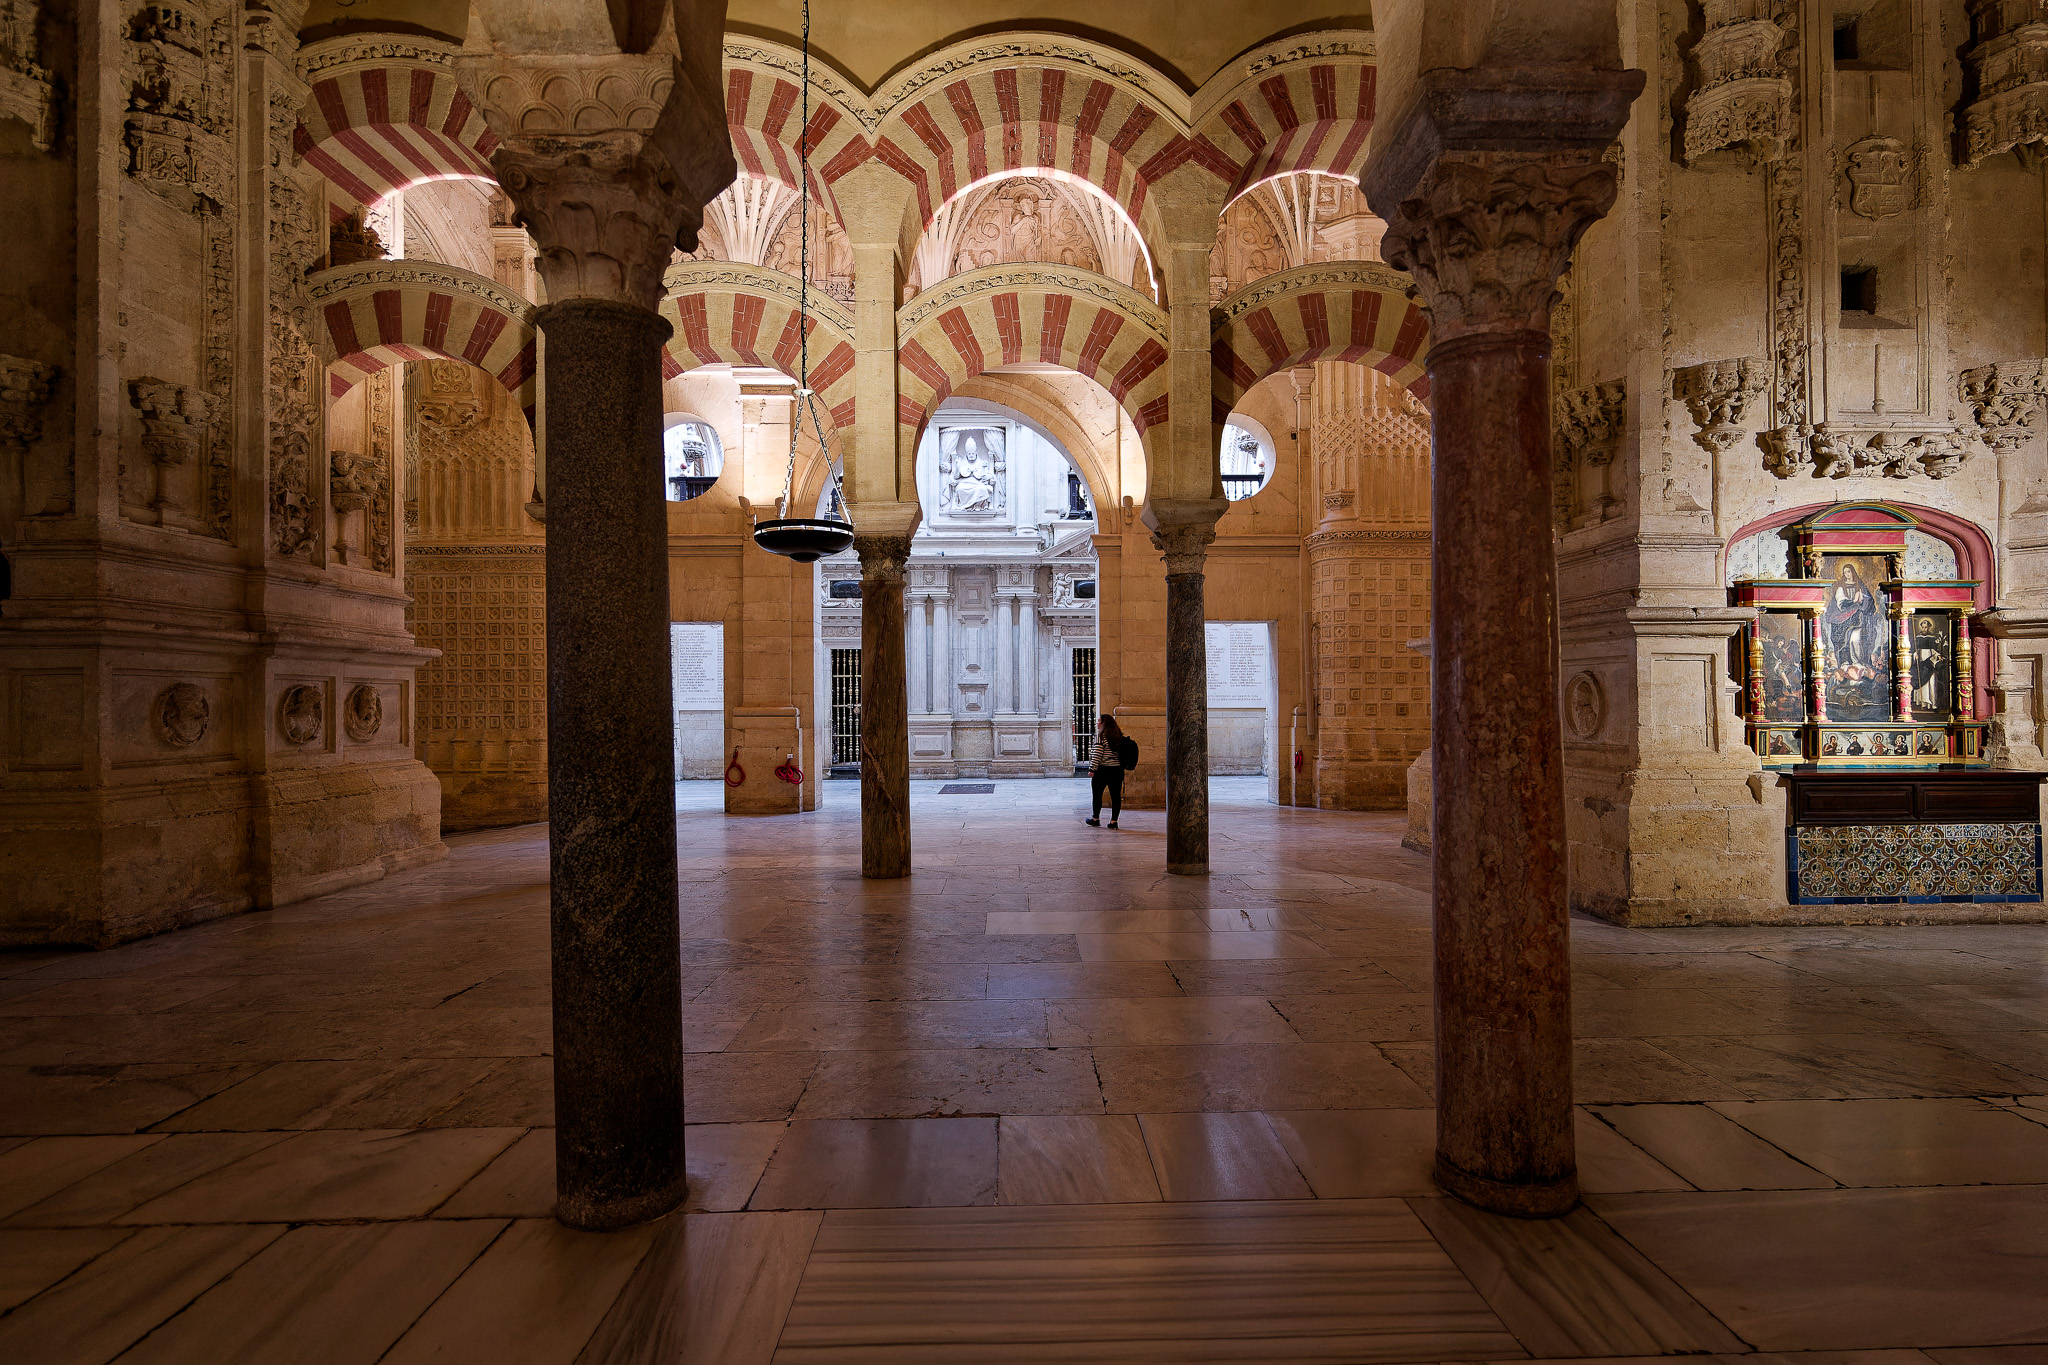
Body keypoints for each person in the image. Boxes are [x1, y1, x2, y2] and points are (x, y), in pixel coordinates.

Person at [1086, 715, 1128, 829]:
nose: (1097, 724)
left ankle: (1095, 819)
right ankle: (1114, 822)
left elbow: (1097, 754)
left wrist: (1092, 769)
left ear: (1104, 724)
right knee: (1116, 797)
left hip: (1103, 770)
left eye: (1099, 722)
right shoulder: (1119, 736)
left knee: (1097, 795)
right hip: (1117, 770)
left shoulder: (1101, 736)